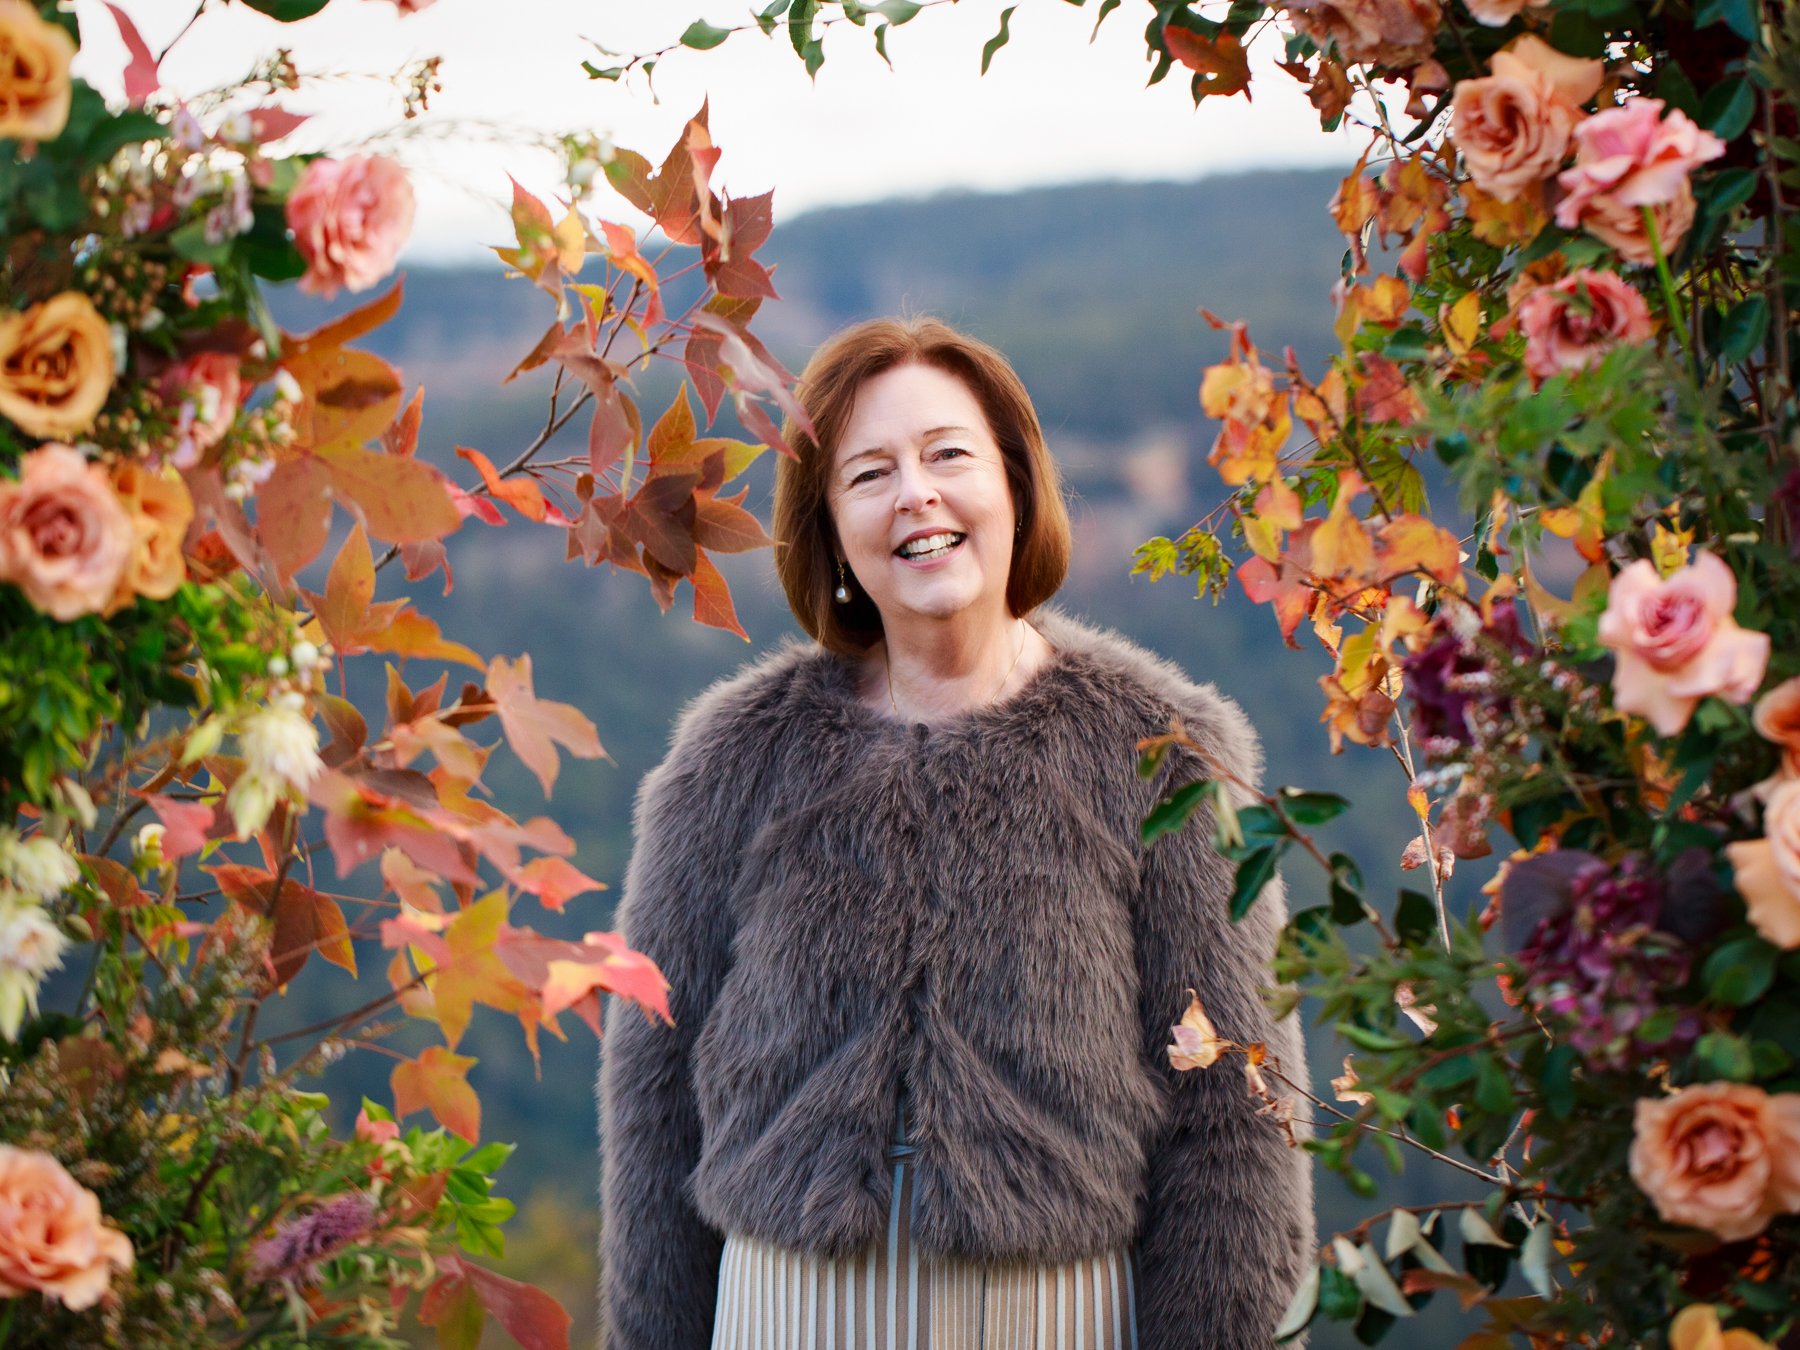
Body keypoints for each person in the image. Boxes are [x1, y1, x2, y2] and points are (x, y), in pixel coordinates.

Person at [599, 317, 1314, 1349]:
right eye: (869, 473)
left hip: (1059, 1317)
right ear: (832, 531)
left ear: (1015, 486)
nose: (915, 494)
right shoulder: (730, 759)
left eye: (947, 455)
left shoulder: (1163, 751)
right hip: (784, 1317)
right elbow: (652, 1096)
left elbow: (1238, 1115)